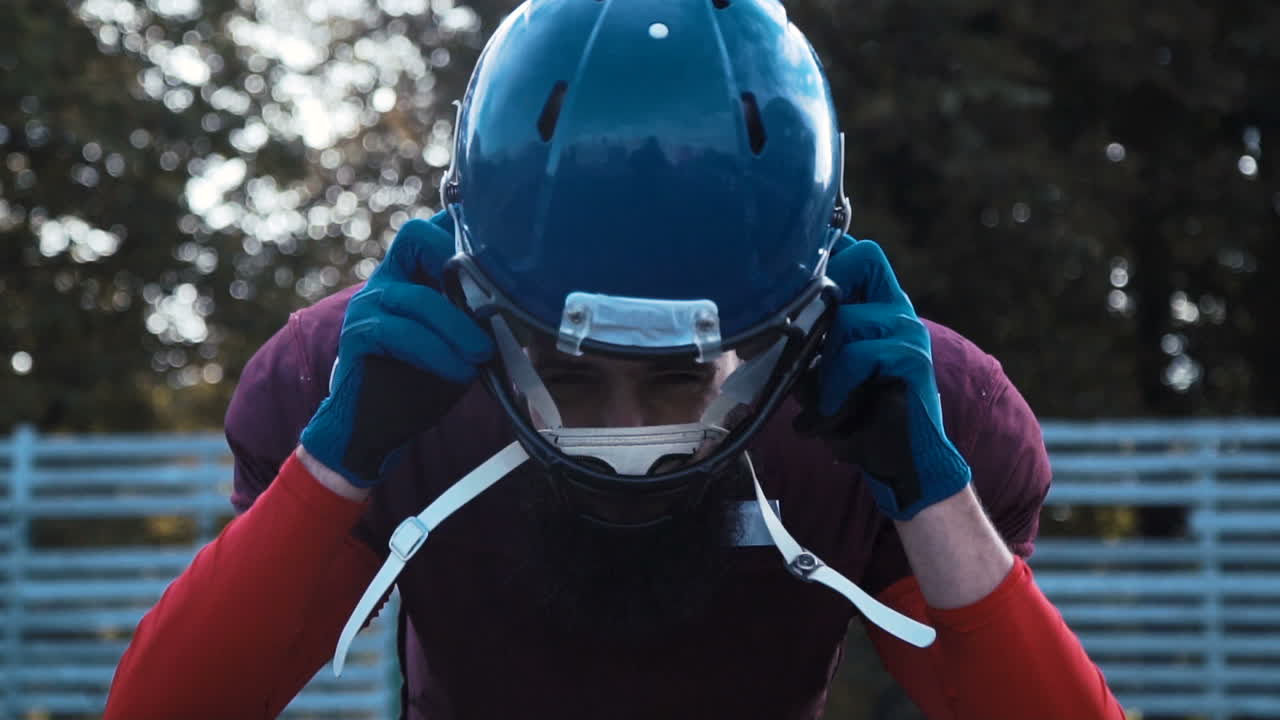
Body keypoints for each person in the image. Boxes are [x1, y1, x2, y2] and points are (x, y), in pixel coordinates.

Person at [105, 1, 1124, 718]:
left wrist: (929, 492)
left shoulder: (903, 406)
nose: (627, 441)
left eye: (680, 377)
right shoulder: (366, 378)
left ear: (793, 330)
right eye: (575, 372)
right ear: (479, 308)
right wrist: (336, 460)